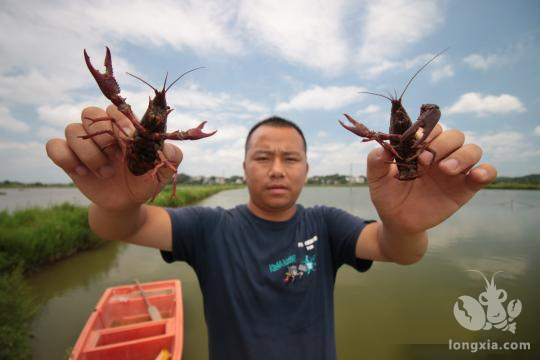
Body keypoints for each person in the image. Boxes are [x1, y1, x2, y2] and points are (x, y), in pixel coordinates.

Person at [46, 105, 496, 359]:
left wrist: (404, 223)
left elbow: (399, 249)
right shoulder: (208, 227)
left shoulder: (326, 223)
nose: (277, 170)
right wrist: (117, 200)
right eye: (262, 157)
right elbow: (121, 224)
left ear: (306, 169)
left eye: (291, 158)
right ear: (242, 168)